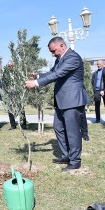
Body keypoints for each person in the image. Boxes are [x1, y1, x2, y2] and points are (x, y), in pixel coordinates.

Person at [25, 37, 91, 171]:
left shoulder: (73, 57)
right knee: (58, 128)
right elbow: (52, 72)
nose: (53, 54)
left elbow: (59, 74)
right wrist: (37, 76)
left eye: (54, 51)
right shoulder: (59, 60)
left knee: (72, 132)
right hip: (62, 101)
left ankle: (75, 161)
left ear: (62, 45)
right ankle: (66, 155)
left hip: (72, 101)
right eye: (51, 52)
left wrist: (36, 84)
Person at [5, 61, 27, 130]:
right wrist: (8, 90)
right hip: (10, 94)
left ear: (14, 66)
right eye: (9, 66)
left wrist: (18, 89)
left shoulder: (18, 73)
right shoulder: (5, 74)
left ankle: (23, 125)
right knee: (10, 110)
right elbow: (4, 83)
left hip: (18, 93)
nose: (11, 67)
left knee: (21, 109)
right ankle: (13, 125)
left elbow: (22, 82)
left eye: (12, 66)